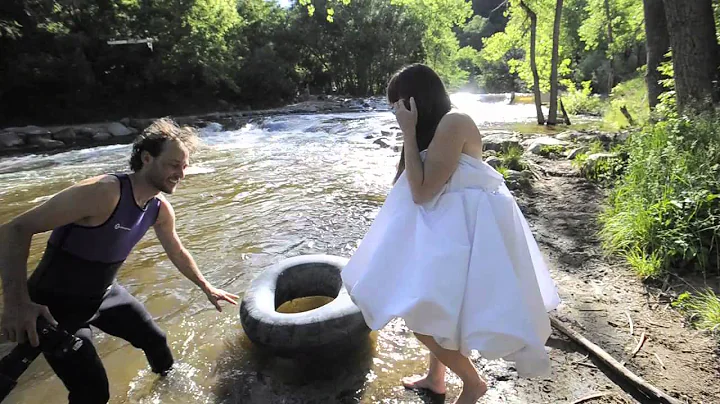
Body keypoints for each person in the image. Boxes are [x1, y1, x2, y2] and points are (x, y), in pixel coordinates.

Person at [341, 64, 561, 404]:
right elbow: (409, 186)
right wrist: (410, 136)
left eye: (398, 103)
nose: (395, 111)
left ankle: (473, 383)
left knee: (423, 318)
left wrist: (408, 133)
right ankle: (436, 378)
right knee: (439, 309)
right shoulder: (431, 129)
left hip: (466, 235)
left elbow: (422, 192)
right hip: (442, 230)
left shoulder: (453, 122)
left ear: (417, 100)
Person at [0, 118, 239, 403]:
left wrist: (206, 286)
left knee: (156, 342)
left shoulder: (159, 208)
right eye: (174, 165)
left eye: (184, 166)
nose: (181, 174)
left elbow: (177, 251)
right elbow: (14, 229)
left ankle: (169, 393)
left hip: (103, 294)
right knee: (93, 392)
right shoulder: (104, 192)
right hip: (55, 306)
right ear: (147, 158)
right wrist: (16, 303)